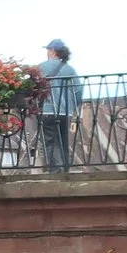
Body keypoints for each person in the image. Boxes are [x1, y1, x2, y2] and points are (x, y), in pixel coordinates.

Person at [37, 39, 81, 172]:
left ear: (53, 51)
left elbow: (33, 87)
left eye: (48, 50)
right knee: (63, 141)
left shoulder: (41, 67)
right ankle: (65, 168)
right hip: (65, 111)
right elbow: (78, 90)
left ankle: (56, 171)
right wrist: (73, 106)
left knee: (50, 141)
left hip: (47, 110)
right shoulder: (69, 69)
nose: (47, 53)